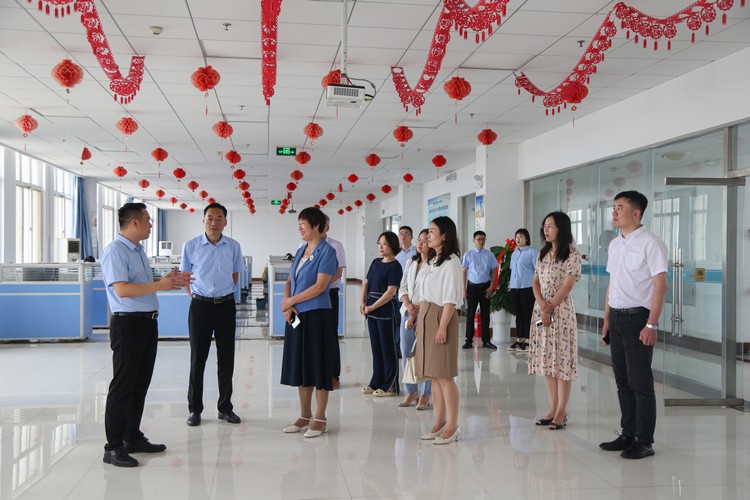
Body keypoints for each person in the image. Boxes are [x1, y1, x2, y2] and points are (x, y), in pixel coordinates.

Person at [100, 202, 192, 467]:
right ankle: (113, 446)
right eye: (148, 220)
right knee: (123, 386)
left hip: (146, 323)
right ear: (134, 223)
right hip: (128, 325)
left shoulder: (138, 250)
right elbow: (123, 290)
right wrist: (159, 285)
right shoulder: (115, 251)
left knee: (139, 384)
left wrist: (165, 282)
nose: (151, 224)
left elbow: (141, 285)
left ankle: (132, 436)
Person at [599, 191, 667, 460]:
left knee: (640, 382)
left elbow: (660, 287)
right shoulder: (616, 244)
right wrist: (606, 319)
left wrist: (651, 324)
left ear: (636, 213)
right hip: (616, 317)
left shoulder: (651, 243)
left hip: (639, 317)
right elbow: (612, 284)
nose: (614, 212)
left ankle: (644, 440)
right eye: (614, 207)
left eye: (620, 208)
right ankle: (627, 433)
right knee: (622, 380)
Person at [180, 202, 243, 427]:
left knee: (226, 359)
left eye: (219, 219)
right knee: (198, 358)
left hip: (225, 305)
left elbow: (235, 276)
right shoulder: (191, 246)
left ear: (225, 222)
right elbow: (185, 277)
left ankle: (225, 407)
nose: (214, 222)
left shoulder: (234, 246)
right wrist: (198, 297)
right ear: (203, 220)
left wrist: (220, 293)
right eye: (209, 218)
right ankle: (194, 409)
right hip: (200, 307)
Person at [280, 207, 338, 438]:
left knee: (318, 365)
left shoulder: (327, 252)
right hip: (297, 316)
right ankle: (304, 415)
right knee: (300, 366)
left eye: (303, 223)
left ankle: (320, 418)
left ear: (317, 225)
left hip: (317, 316)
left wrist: (291, 300)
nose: (300, 228)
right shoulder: (301, 250)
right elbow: (289, 279)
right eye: (299, 224)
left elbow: (320, 286)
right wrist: (287, 303)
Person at [528, 212, 581, 431]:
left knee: (561, 363)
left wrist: (550, 306)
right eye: (544, 225)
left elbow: (568, 286)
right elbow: (535, 283)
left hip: (562, 313)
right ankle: (551, 409)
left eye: (550, 226)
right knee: (548, 363)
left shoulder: (572, 254)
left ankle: (561, 411)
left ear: (561, 227)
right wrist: (542, 304)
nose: (546, 229)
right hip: (541, 313)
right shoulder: (543, 254)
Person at [415, 216, 463, 444]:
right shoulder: (432, 261)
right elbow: (422, 293)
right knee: (434, 375)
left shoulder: (451, 262)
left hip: (441, 317)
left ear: (445, 235)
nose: (428, 235)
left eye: (433, 231)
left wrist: (442, 326)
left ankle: (452, 426)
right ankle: (439, 421)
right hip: (426, 316)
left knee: (445, 375)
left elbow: (451, 299)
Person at [300, 215, 345, 388]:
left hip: (328, 293)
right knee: (311, 336)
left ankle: (333, 374)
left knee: (330, 335)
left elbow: (338, 272)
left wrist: (321, 284)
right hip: (308, 295)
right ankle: (312, 373)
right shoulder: (302, 246)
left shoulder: (334, 246)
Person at [361, 231, 404, 397]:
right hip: (371, 309)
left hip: (385, 310)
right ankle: (376, 381)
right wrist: (362, 302)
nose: (380, 246)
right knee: (376, 349)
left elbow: (390, 292)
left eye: (384, 243)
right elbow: (366, 283)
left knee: (388, 349)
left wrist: (372, 307)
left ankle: (390, 385)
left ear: (392, 245)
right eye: (379, 243)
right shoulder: (375, 262)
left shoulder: (395, 266)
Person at [397, 229, 433, 409]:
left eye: (425, 240)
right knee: (406, 352)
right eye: (419, 240)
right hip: (407, 311)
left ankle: (426, 393)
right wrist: (409, 307)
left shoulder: (435, 265)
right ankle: (411, 390)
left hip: (425, 313)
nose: (420, 243)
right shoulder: (411, 262)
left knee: (424, 354)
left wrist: (417, 313)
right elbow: (402, 288)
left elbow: (432, 293)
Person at [461, 231, 499, 350]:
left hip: (485, 287)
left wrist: (491, 287)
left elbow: (494, 271)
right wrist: (464, 289)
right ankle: (468, 340)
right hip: (472, 287)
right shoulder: (468, 254)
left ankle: (486, 340)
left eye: (483, 239)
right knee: (470, 314)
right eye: (478, 239)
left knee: (485, 315)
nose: (481, 241)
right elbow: (464, 272)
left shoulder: (489, 255)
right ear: (474, 241)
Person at [509, 228, 538, 352]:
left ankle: (528, 339)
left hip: (527, 287)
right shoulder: (514, 253)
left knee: (527, 314)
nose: (518, 239)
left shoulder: (532, 252)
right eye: (516, 237)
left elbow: (537, 270)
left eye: (521, 237)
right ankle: (519, 339)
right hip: (515, 287)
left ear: (527, 239)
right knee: (518, 314)